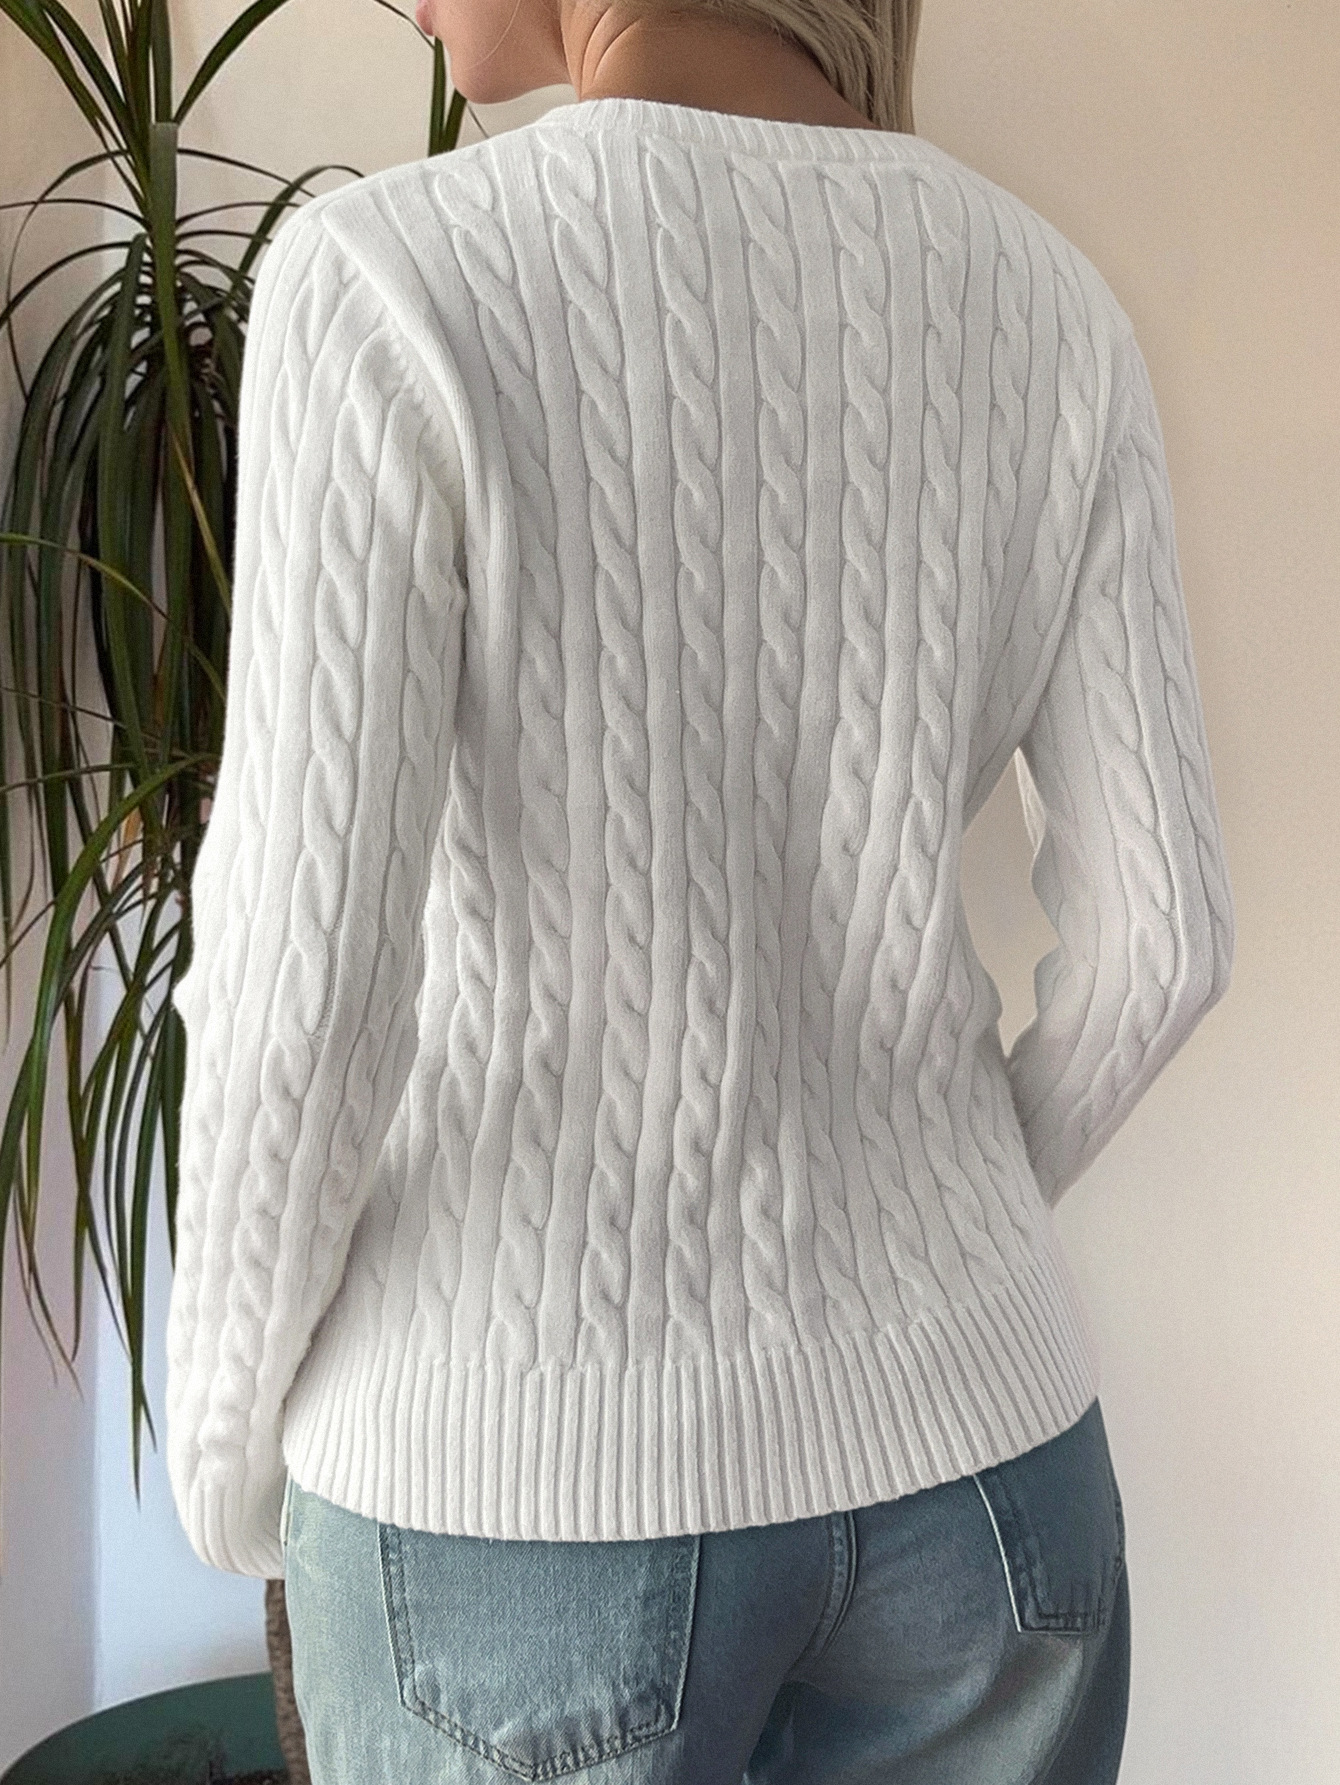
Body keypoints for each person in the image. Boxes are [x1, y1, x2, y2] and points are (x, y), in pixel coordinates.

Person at [164, 0, 1236, 1779]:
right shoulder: (1050, 304)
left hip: (516, 1499)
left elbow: (304, 979)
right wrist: (936, 1226)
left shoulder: (390, 283)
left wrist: (222, 1455)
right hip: (988, 1485)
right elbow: (1165, 939)